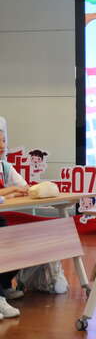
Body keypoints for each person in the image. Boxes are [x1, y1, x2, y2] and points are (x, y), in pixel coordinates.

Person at [0, 127, 25, 318]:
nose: (2, 146)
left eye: (3, 141)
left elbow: (23, 186)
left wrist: (15, 191)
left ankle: (4, 287)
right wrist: (11, 191)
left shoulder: (5, 166)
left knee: (17, 247)